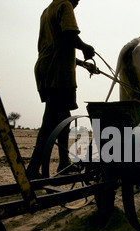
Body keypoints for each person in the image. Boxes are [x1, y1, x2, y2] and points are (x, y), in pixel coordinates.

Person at [27, 0, 95, 179]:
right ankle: (33, 169)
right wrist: (85, 48)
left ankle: (63, 162)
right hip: (58, 72)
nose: (79, 1)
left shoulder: (47, 10)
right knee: (50, 121)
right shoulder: (64, 5)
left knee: (63, 118)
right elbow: (69, 35)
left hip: (46, 68)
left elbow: (58, 44)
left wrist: (82, 64)